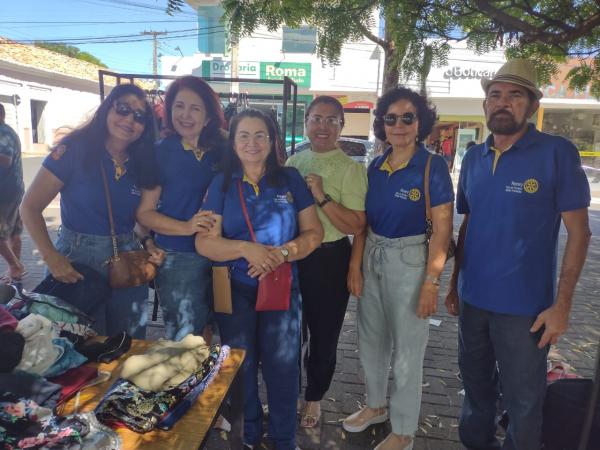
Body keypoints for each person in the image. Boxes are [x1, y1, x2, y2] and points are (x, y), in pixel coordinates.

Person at [445, 59, 591, 449]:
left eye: (514, 95)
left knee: (524, 401)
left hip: (525, 309)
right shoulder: (474, 157)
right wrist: (454, 285)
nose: (503, 102)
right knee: (476, 391)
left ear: (531, 105)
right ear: (485, 105)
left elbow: (579, 233)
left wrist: (562, 307)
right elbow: (469, 223)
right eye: (495, 95)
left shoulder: (557, 152)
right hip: (473, 300)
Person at [196, 109, 323, 450]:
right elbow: (205, 241)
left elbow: (314, 233)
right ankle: (249, 434)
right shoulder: (221, 183)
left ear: (272, 141)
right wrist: (245, 249)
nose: (252, 143)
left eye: (260, 136)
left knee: (283, 367)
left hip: (282, 288)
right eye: (243, 136)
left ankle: (284, 439)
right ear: (233, 141)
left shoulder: (291, 179)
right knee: (241, 366)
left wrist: (280, 254)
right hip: (234, 289)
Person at [343, 87, 454, 450]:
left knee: (408, 351)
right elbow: (363, 223)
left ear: (420, 123)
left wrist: (431, 282)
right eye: (391, 118)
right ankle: (375, 406)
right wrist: (356, 265)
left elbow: (442, 229)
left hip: (411, 261)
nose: (399, 125)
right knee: (370, 341)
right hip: (372, 254)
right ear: (382, 124)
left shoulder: (432, 166)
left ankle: (404, 429)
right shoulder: (375, 165)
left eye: (408, 117)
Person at [20, 83, 164, 338]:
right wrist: (51, 257)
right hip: (77, 261)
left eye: (139, 116)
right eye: (123, 109)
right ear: (107, 109)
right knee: (80, 346)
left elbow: (135, 220)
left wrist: (148, 242)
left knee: (128, 345)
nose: (129, 119)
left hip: (128, 260)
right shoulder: (75, 149)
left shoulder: (142, 162)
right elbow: (29, 207)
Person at [285, 96, 367, 428]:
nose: (323, 126)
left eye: (332, 120)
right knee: (289, 334)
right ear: (306, 122)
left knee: (323, 336)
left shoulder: (351, 169)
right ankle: (287, 392)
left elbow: (357, 225)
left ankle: (314, 398)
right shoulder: (293, 161)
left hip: (331, 259)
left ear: (341, 127)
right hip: (292, 256)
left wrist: (321, 196)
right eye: (317, 118)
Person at [136, 76, 227, 342]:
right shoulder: (159, 152)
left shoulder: (222, 151)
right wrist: (186, 227)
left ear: (208, 116)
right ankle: (186, 384)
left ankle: (206, 381)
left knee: (213, 327)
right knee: (185, 336)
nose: (185, 115)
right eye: (179, 106)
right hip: (179, 258)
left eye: (195, 108)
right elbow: (145, 212)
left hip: (220, 254)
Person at [0, 103, 26, 283]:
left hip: (4, 192)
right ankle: (15, 269)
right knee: (14, 232)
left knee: (2, 234)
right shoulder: (10, 132)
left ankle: (15, 266)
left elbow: (4, 160)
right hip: (15, 189)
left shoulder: (2, 133)